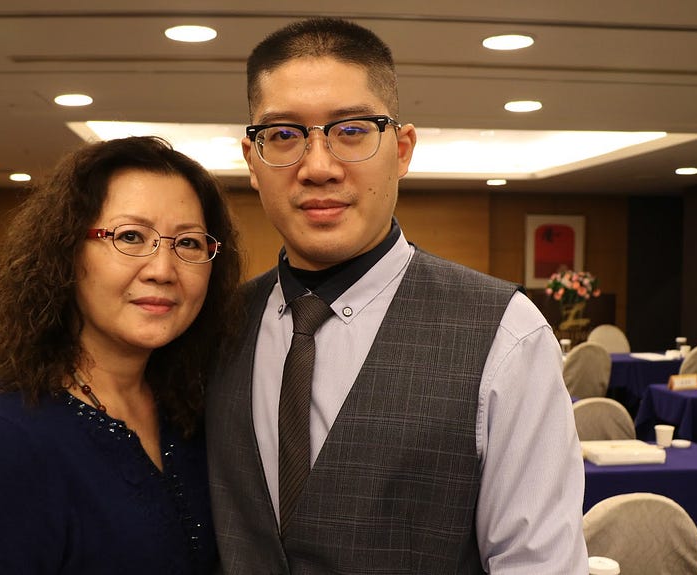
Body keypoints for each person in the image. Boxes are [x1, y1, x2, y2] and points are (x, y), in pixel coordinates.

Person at [205, 17, 588, 574]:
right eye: (284, 135)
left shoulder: (506, 333)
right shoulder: (217, 325)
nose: (318, 167)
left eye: (352, 130)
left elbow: (539, 565)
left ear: (402, 149)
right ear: (252, 160)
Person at [0, 136, 240, 574]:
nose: (163, 270)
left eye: (188, 243)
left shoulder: (191, 407)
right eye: (130, 236)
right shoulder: (2, 446)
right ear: (67, 253)